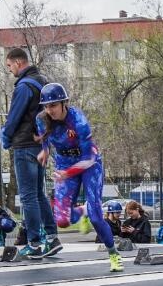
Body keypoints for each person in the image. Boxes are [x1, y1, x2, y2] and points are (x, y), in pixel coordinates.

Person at [35, 83, 122, 271]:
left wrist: (69, 173)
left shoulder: (79, 121)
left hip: (89, 163)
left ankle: (113, 253)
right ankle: (83, 211)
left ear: (64, 103)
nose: (50, 110)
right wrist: (45, 152)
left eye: (54, 106)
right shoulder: (41, 119)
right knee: (62, 221)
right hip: (64, 163)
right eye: (47, 106)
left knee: (97, 216)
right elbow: (44, 139)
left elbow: (89, 158)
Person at [0, 47, 60, 260]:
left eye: (9, 66)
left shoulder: (24, 86)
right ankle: (52, 237)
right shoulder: (43, 82)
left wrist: (5, 138)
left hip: (24, 145)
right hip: (39, 145)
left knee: (28, 196)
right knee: (39, 194)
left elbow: (14, 116)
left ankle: (34, 243)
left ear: (18, 62)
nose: (10, 71)